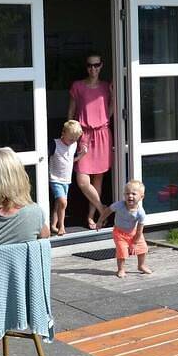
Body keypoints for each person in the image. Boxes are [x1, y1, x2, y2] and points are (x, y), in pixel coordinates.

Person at [68, 52, 113, 229]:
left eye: (96, 65)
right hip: (84, 135)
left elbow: (109, 112)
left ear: (101, 66)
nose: (93, 68)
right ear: (86, 67)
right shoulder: (77, 86)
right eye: (89, 65)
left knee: (98, 180)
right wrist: (70, 134)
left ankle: (91, 217)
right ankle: (103, 209)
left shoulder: (106, 86)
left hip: (102, 134)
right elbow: (71, 111)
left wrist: (113, 95)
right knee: (82, 180)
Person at [96, 180, 151, 278]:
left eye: (134, 194)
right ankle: (121, 269)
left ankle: (141, 265)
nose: (130, 196)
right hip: (119, 233)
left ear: (141, 197)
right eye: (127, 193)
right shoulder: (119, 205)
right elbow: (108, 211)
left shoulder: (141, 213)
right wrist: (100, 221)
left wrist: (134, 243)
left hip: (134, 233)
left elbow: (139, 231)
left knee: (142, 248)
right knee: (122, 251)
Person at [48, 120, 87, 236]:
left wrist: (81, 155)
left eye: (75, 140)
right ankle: (62, 226)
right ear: (63, 133)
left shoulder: (73, 145)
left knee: (58, 204)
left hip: (66, 179)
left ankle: (53, 225)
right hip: (55, 178)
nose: (72, 142)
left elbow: (70, 160)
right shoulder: (55, 144)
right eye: (70, 139)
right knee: (63, 202)